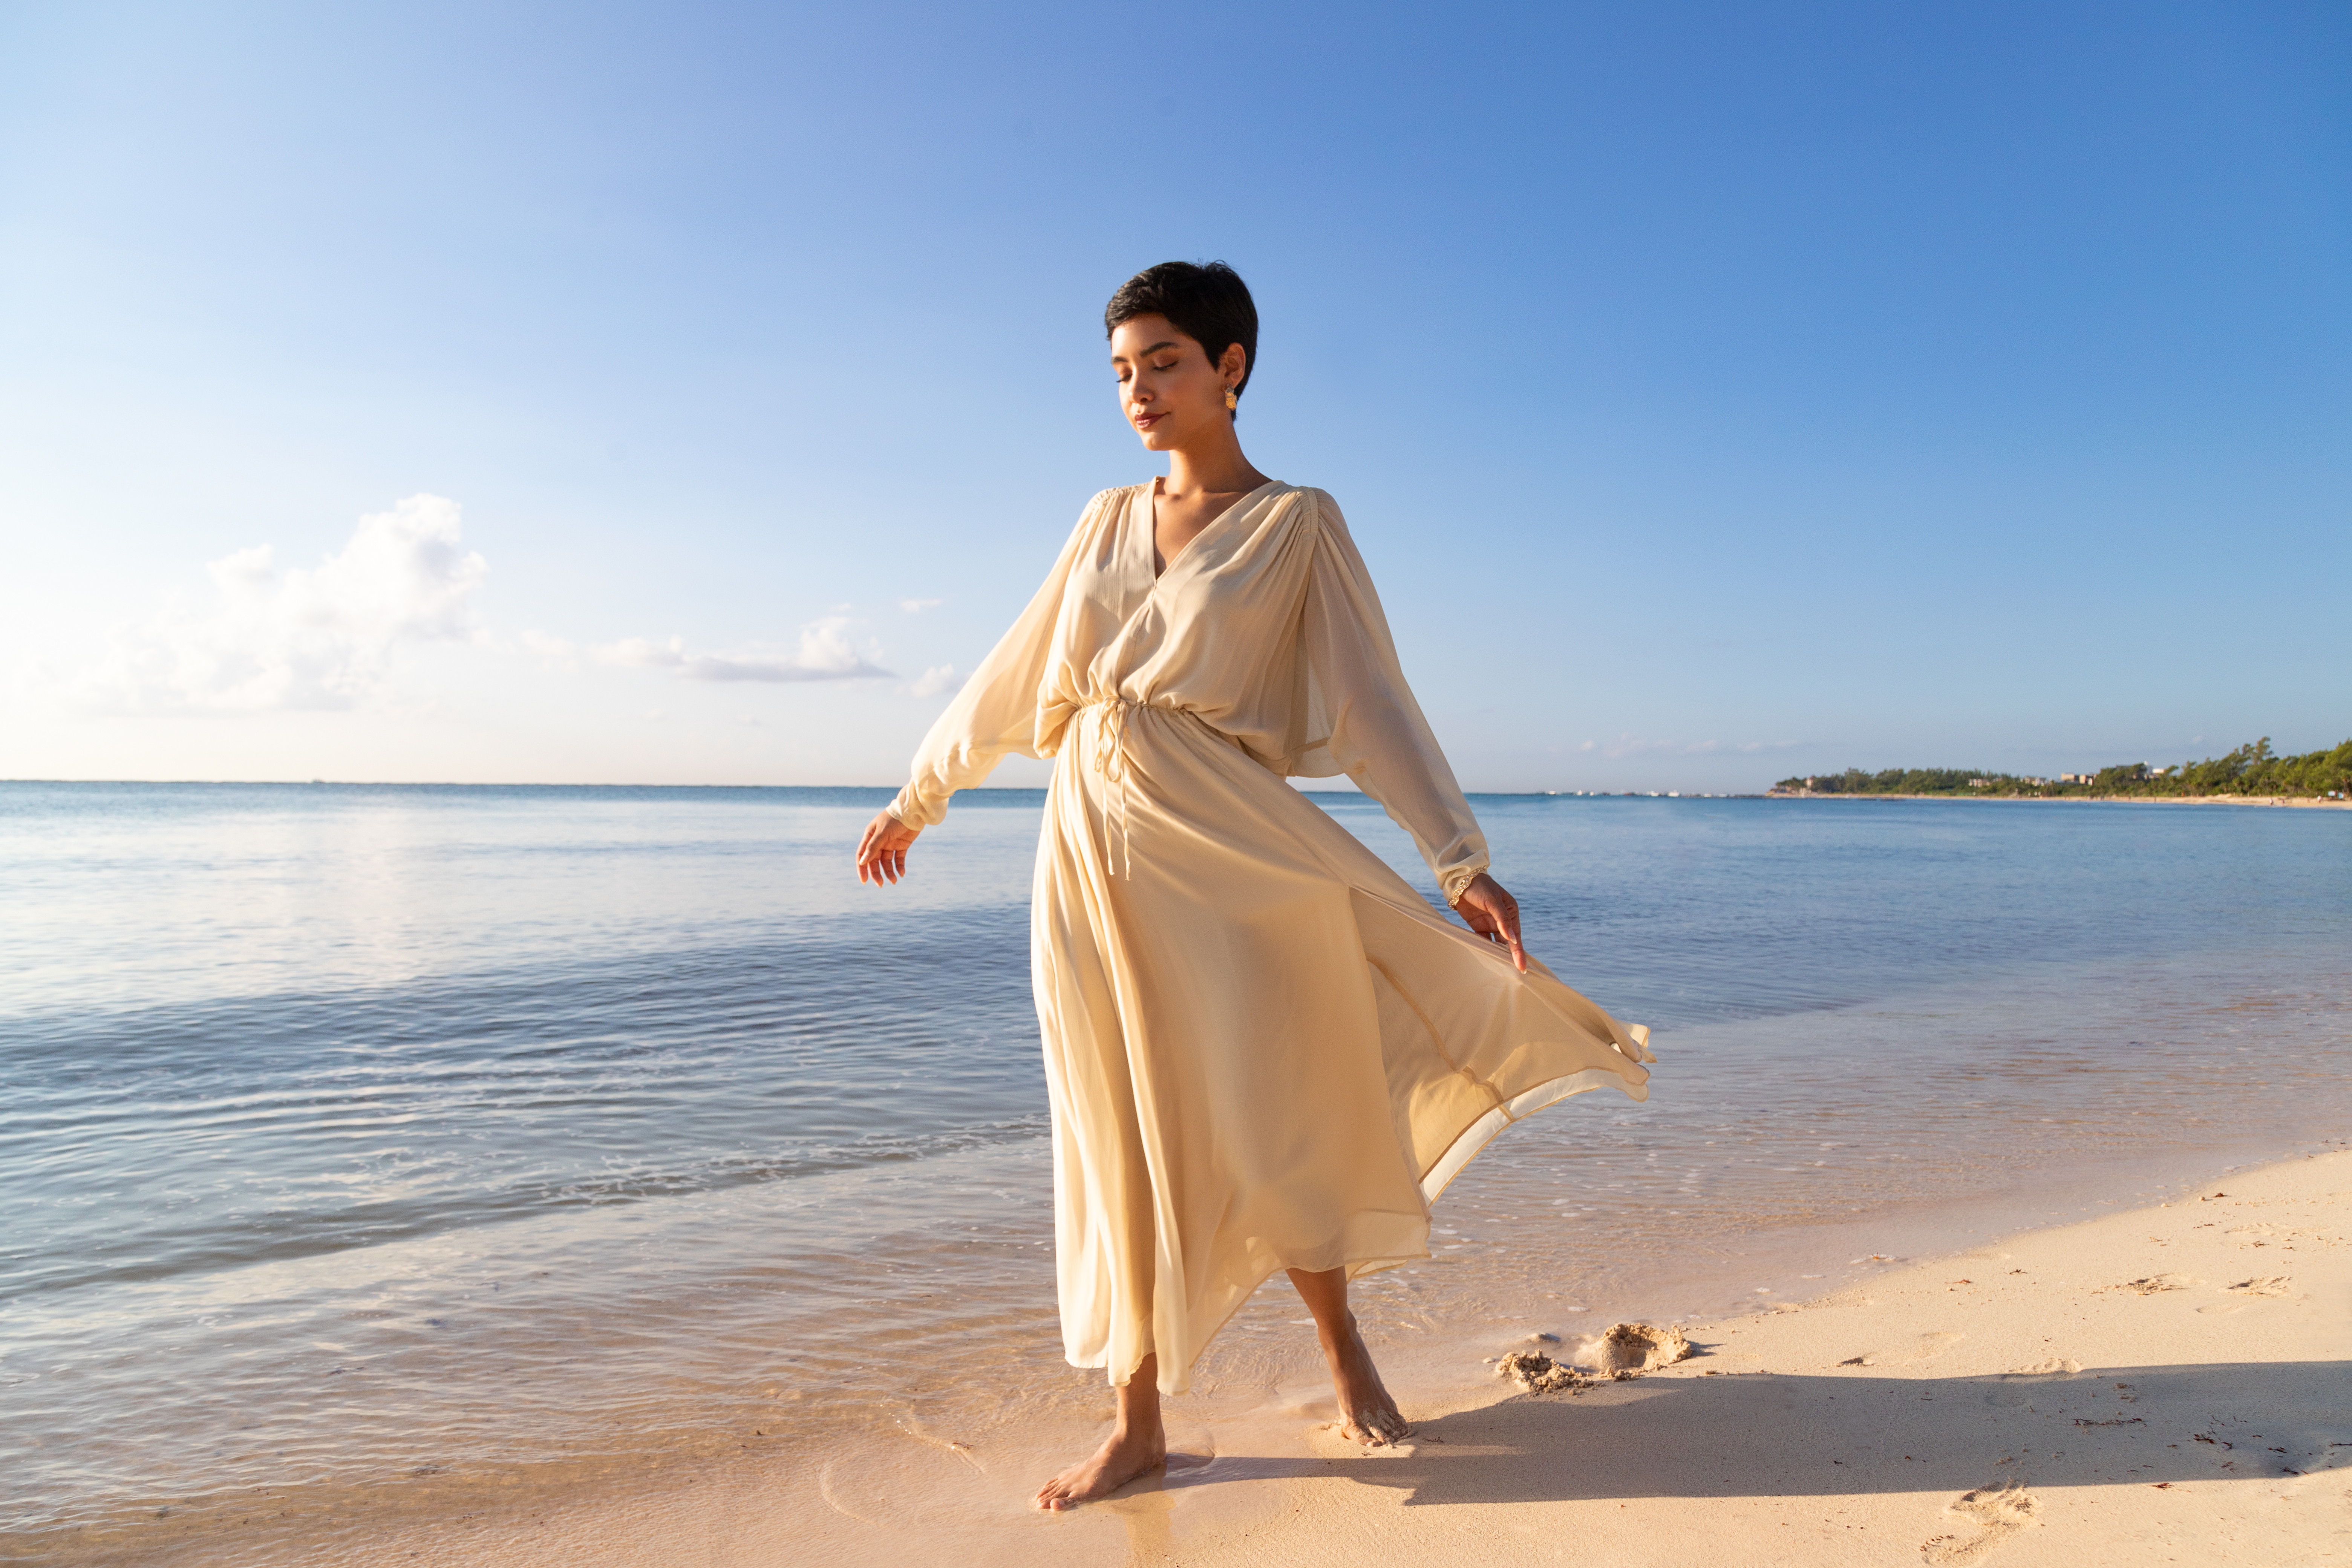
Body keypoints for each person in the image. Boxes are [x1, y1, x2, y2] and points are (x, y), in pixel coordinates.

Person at [854, 261, 1652, 1511]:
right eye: (1122, 371)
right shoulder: (1101, 520)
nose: (1139, 392)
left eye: (1164, 361)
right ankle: (1137, 1423)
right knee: (1117, 1123)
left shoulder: (1297, 525)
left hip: (1225, 845)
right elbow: (1017, 674)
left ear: (1231, 366)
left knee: (1269, 1100)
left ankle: (1346, 1357)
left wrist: (1460, 858)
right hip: (1089, 858)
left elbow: (1368, 699)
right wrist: (921, 793)